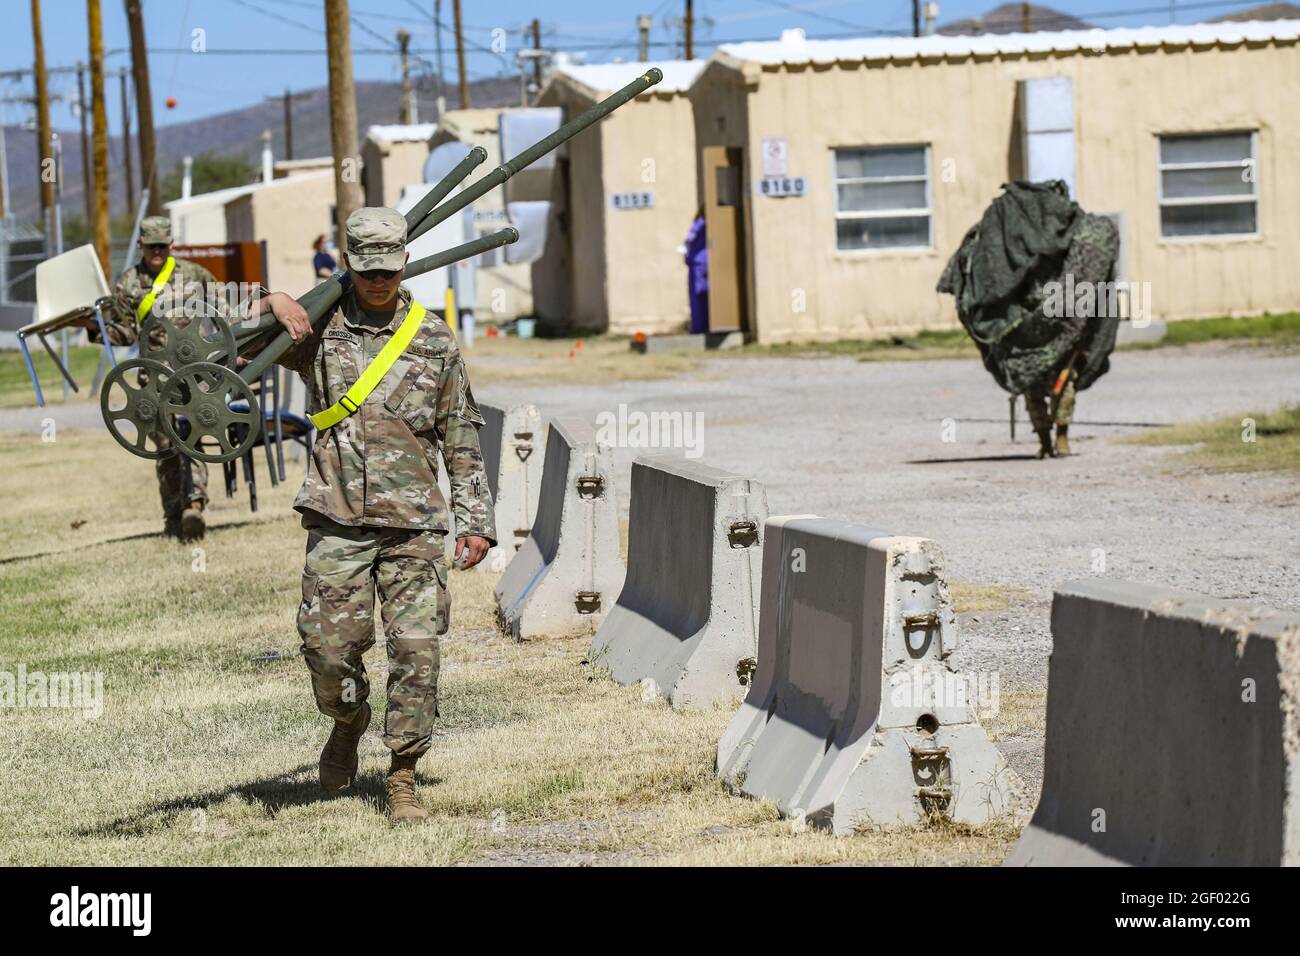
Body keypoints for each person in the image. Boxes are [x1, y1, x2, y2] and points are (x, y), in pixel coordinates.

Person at [264, 207, 496, 824]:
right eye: (366, 271)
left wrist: (475, 520)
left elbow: (462, 434)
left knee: (417, 651)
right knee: (326, 648)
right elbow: (231, 343)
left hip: (415, 523)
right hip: (337, 518)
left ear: (405, 265)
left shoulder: (435, 339)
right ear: (347, 265)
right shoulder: (316, 331)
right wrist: (272, 299)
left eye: (388, 271)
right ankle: (349, 718)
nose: (377, 282)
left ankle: (402, 775)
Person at [91, 217, 307, 539]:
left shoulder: (194, 275)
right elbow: (124, 332)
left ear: (171, 245)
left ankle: (195, 505)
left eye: (162, 247)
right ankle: (174, 518)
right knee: (166, 448)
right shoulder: (127, 284)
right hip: (153, 380)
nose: (157, 253)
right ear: (140, 246)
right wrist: (93, 327)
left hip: (194, 376)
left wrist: (260, 313)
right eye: (151, 247)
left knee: (191, 437)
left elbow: (225, 310)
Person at [1024, 364, 1077, 458]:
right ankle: (1045, 442)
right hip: (1031, 365)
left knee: (1065, 399)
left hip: (1062, 364)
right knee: (1033, 400)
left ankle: (1061, 437)